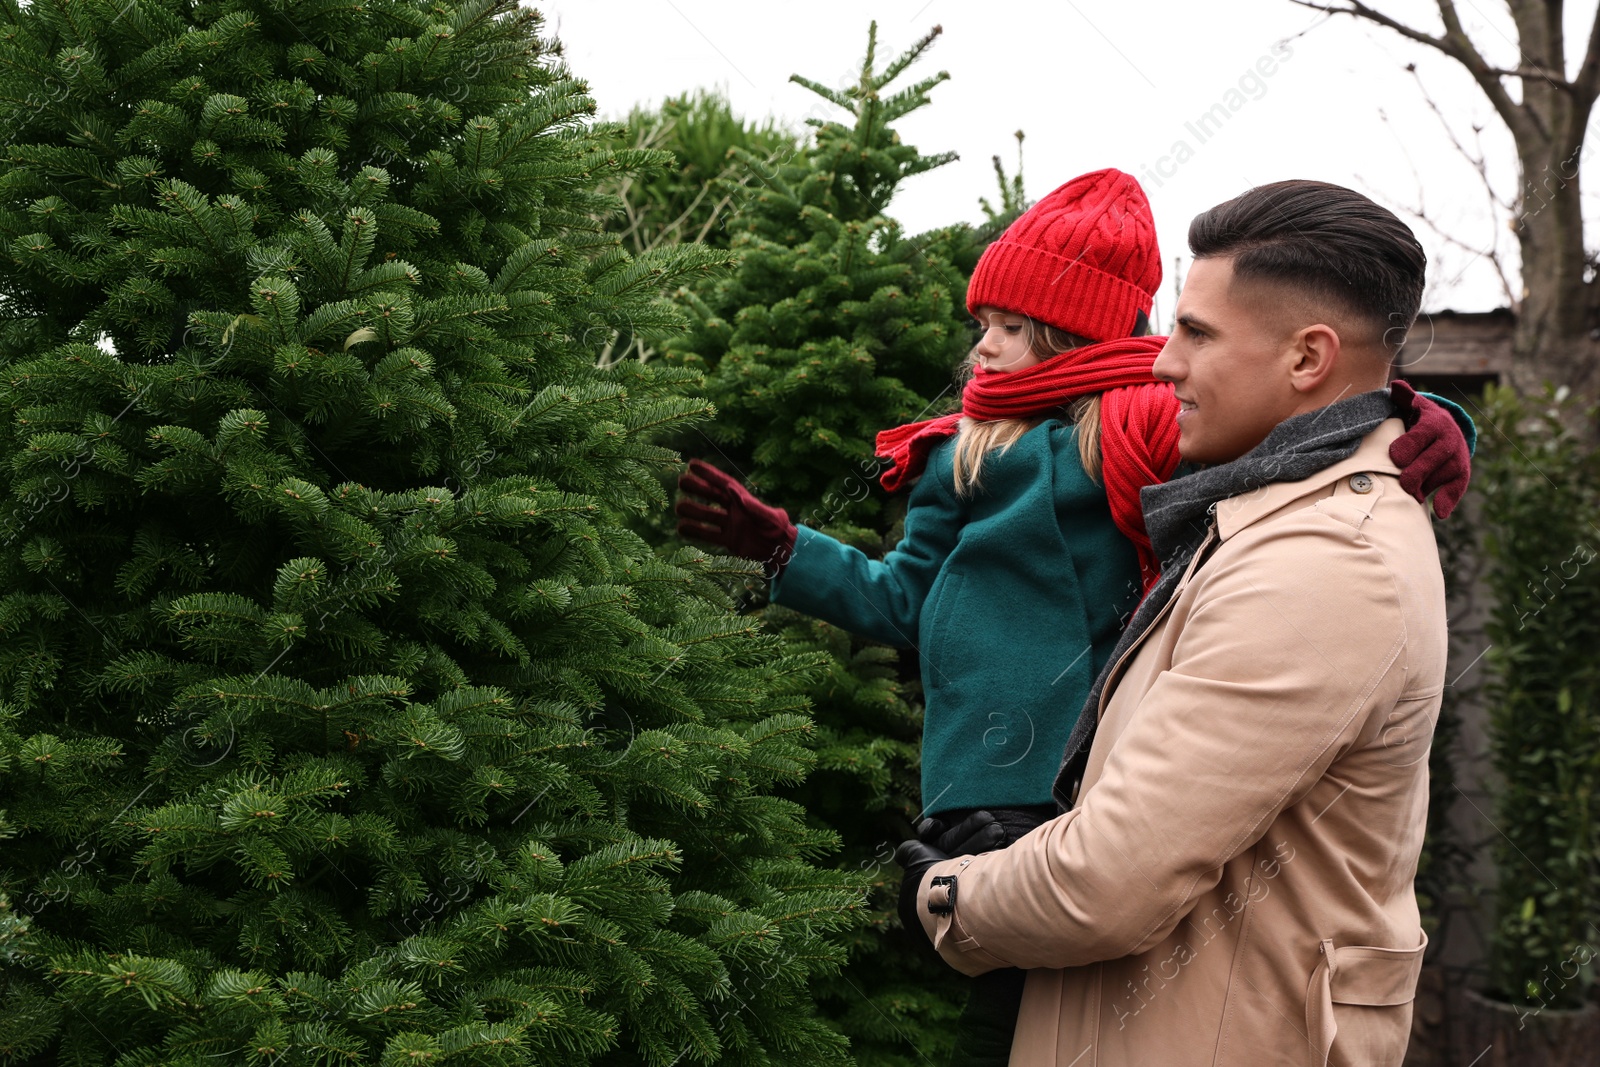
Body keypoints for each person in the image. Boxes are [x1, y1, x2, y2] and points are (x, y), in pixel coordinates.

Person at [676, 172, 1470, 1066]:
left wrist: (1425, 415)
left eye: (1012, 328)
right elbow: (905, 598)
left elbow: (1326, 423)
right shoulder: (958, 456)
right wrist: (791, 549)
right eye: (983, 326)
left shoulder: (1152, 437)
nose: (984, 349)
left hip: (1067, 822)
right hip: (976, 812)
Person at [898, 179, 1458, 1066]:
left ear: (1308, 359)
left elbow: (1110, 882)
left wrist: (942, 892)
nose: (1161, 363)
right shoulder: (1259, 512)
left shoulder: (1323, 562)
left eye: (1196, 334)